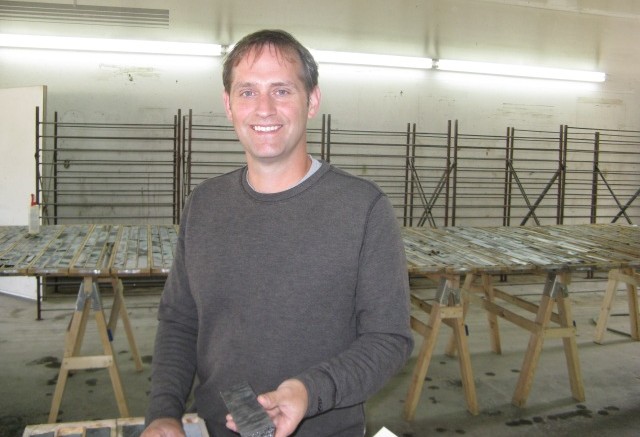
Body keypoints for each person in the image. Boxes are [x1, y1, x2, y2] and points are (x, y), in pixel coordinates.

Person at [142, 29, 413, 437]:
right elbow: (180, 321)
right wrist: (163, 412)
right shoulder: (205, 204)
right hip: (219, 428)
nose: (264, 108)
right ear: (228, 105)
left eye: (282, 90)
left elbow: (389, 339)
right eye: (247, 92)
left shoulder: (363, 209)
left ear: (312, 101)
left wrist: (309, 391)